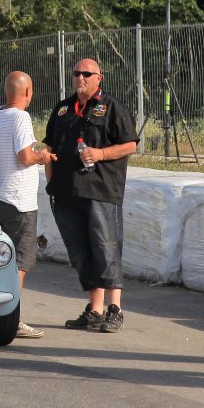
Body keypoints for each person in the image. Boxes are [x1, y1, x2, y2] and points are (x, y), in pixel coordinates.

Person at [40, 57, 138, 333]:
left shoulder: (112, 107)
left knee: (106, 248)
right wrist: (51, 182)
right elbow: (50, 148)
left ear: (99, 78)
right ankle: (94, 310)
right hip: (66, 193)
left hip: (100, 191)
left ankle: (114, 309)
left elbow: (130, 145)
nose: (80, 78)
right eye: (76, 73)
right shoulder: (63, 109)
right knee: (80, 252)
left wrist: (101, 153)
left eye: (86, 73)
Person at [0, 70, 47, 340]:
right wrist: (42, 156)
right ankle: (12, 317)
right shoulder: (21, 117)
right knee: (20, 262)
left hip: (2, 197)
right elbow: (24, 157)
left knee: (5, 259)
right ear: (28, 92)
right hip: (21, 202)